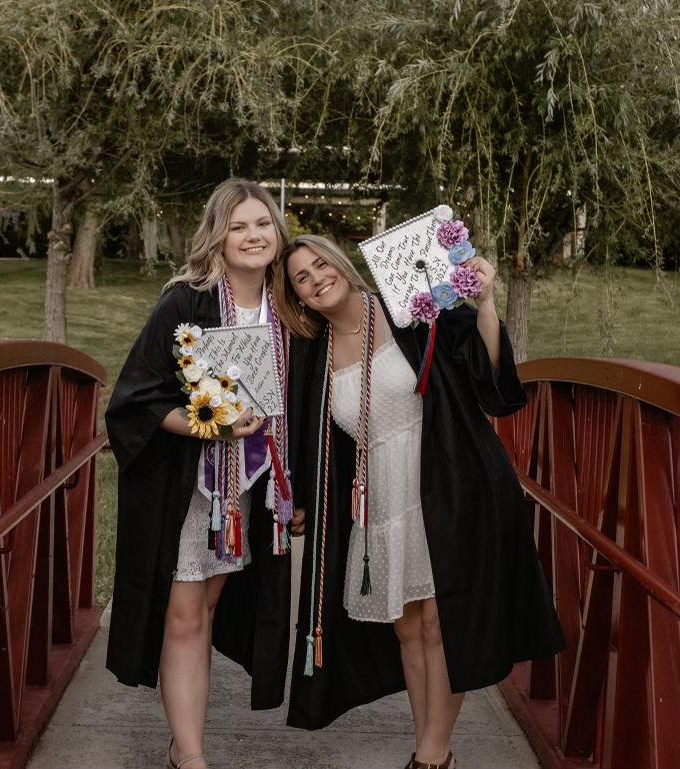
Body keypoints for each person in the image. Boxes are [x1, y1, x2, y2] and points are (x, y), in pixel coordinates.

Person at [277, 235, 564, 769]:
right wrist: (299, 499)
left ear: (341, 263)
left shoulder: (407, 306)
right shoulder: (312, 354)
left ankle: (431, 756)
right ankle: (429, 744)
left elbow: (485, 373)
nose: (317, 279)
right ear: (296, 296)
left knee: (439, 621)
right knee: (408, 627)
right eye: (302, 277)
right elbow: (309, 439)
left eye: (321, 264)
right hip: (381, 499)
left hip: (447, 480)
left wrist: (485, 303)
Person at [105, 178, 295, 769]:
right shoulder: (185, 303)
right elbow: (137, 399)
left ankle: (181, 742)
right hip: (191, 486)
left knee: (207, 609)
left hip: (257, 487)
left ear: (278, 231)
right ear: (218, 236)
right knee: (186, 615)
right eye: (238, 226)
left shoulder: (291, 306)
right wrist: (211, 426)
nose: (253, 236)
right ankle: (190, 756)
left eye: (262, 224)